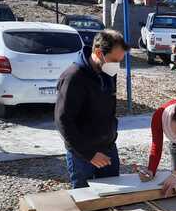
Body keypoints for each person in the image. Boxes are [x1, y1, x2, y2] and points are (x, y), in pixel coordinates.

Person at [55, 30, 130, 189]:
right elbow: (63, 121)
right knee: (85, 199)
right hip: (82, 154)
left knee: (111, 195)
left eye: (120, 61)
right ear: (98, 52)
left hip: (108, 148)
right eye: (114, 60)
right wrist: (89, 154)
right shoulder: (74, 77)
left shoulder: (109, 71)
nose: (116, 65)